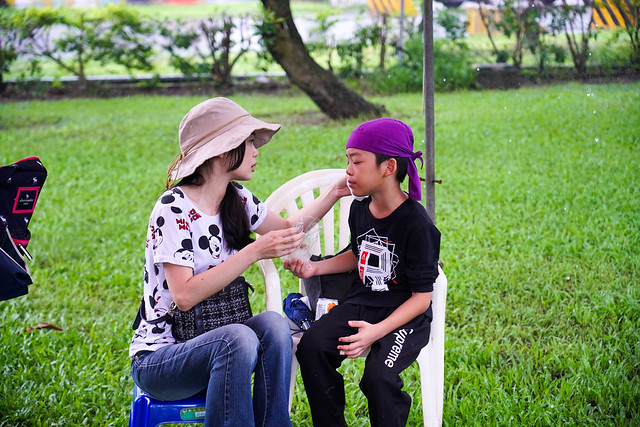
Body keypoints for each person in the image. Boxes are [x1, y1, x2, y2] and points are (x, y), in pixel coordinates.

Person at [129, 97, 349, 427]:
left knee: (276, 325)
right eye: (248, 142)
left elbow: (290, 231)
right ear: (222, 150)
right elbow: (184, 296)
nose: (256, 150)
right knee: (240, 337)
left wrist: (333, 193)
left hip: (222, 348)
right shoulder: (172, 210)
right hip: (162, 359)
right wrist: (253, 252)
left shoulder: (238, 198)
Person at [284, 118, 441, 427]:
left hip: (405, 314)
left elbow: (422, 299)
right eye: (347, 161)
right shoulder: (359, 209)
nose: (349, 170)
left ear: (389, 167)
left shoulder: (417, 224)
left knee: (378, 378)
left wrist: (376, 332)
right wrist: (315, 267)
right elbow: (358, 255)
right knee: (313, 347)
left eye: (357, 161)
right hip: (362, 303)